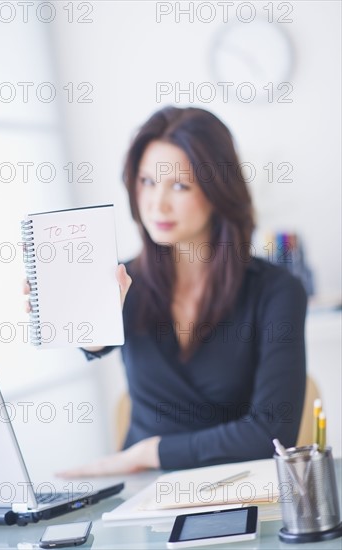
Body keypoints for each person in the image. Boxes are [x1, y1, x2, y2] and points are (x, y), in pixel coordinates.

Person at [25, 106, 307, 477]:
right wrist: (84, 326)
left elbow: (271, 434)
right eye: (146, 182)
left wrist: (150, 453)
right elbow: (96, 340)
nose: (157, 204)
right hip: (141, 495)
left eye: (179, 185)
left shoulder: (275, 290)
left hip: (241, 486)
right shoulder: (123, 280)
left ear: (218, 190)